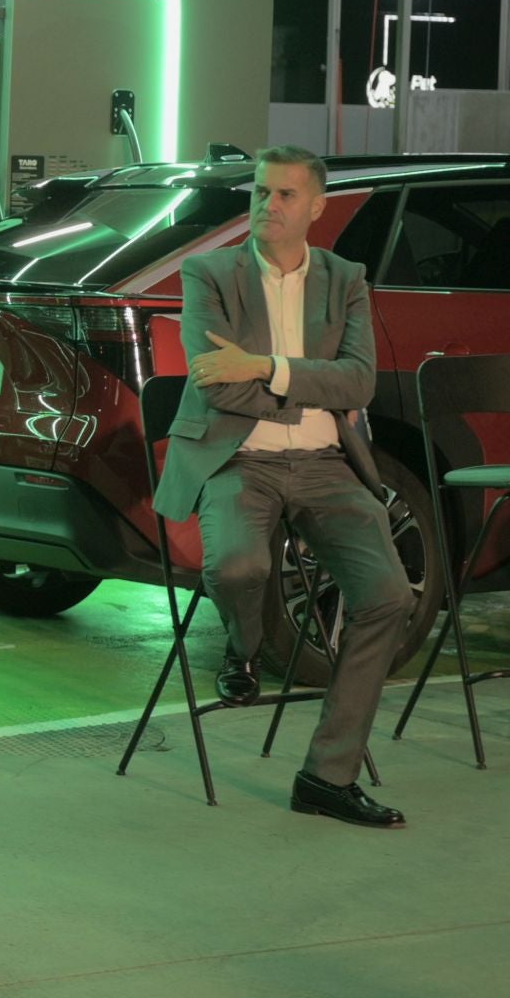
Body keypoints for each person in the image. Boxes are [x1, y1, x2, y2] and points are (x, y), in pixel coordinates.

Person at [151, 145, 412, 829]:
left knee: (387, 596)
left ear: (317, 207)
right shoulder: (208, 272)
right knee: (239, 563)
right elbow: (216, 381)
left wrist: (265, 366)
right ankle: (243, 648)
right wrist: (304, 383)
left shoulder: (345, 277)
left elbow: (359, 383)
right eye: (261, 192)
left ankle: (327, 776)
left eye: (285, 195)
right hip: (238, 462)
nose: (268, 205)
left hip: (328, 465)